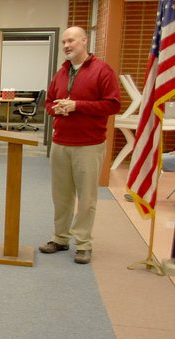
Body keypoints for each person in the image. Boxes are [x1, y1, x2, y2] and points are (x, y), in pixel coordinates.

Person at [38, 26, 120, 265]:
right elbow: (50, 102)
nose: (66, 45)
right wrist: (57, 109)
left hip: (89, 145)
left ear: (84, 41)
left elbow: (112, 105)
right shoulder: (61, 73)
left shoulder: (102, 71)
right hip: (61, 143)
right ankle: (60, 238)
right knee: (61, 196)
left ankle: (83, 244)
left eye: (71, 41)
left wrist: (77, 106)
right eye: (64, 42)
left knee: (86, 198)